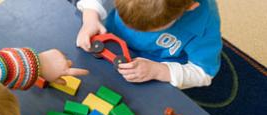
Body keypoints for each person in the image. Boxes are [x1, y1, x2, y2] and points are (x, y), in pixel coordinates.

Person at [76, 0, 222, 89]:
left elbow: (205, 72)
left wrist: (158, 71)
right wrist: (90, 16)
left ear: (190, 7)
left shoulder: (205, 25)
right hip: (112, 43)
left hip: (155, 67)